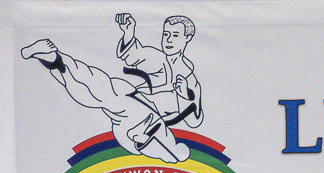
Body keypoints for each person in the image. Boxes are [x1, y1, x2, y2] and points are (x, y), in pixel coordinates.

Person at [21, 13, 201, 164]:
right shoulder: (156, 57)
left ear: (187, 38)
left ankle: (56, 60)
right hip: (133, 100)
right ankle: (54, 59)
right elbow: (132, 55)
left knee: (173, 153)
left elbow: (194, 121)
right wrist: (129, 32)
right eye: (166, 34)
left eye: (175, 35)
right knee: (99, 88)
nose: (168, 39)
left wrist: (184, 95)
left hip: (148, 123)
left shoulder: (190, 78)